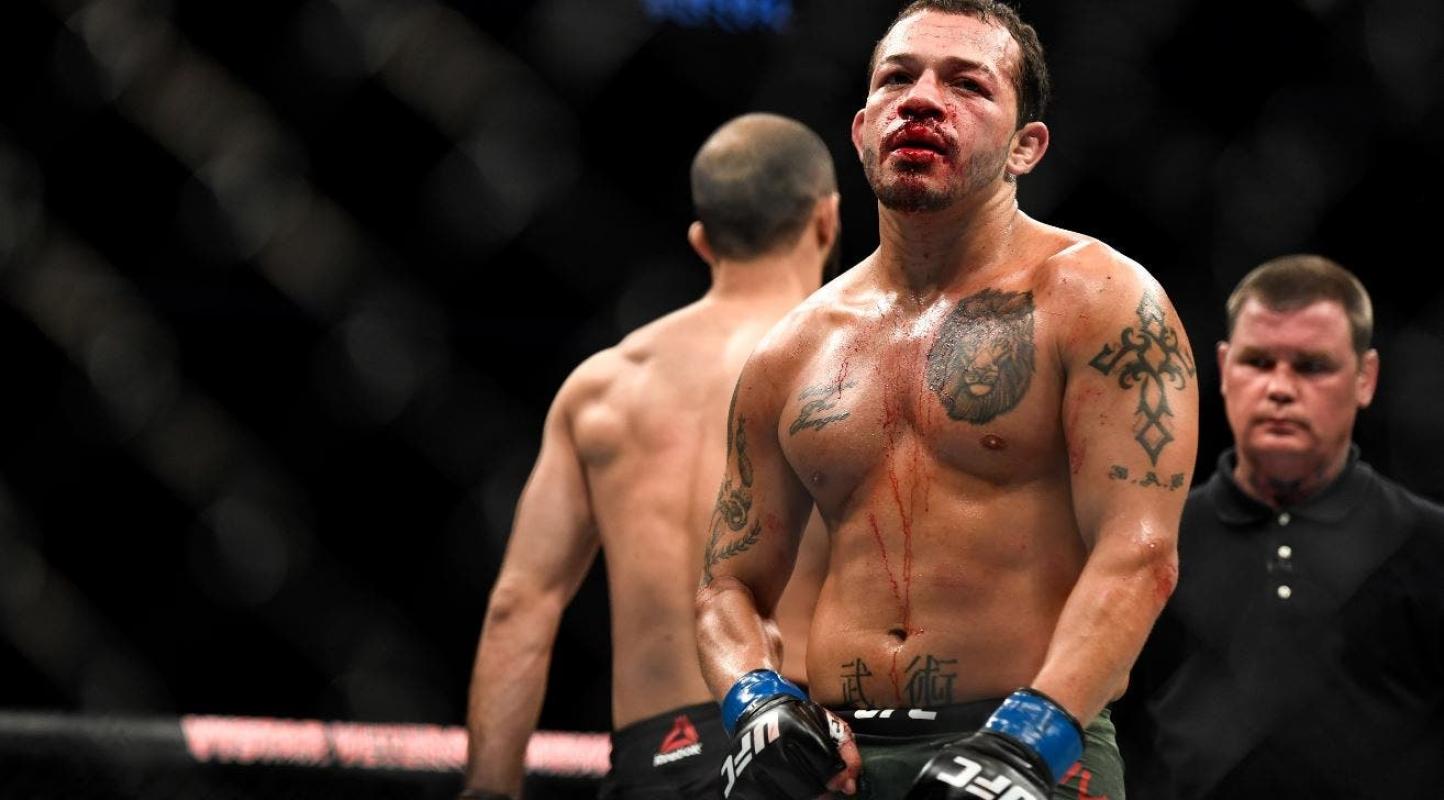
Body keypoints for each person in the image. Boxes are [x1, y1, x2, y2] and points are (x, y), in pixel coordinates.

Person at [693, 2, 1198, 799]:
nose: (922, 99)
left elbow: (1140, 557)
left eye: (968, 84)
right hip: (839, 765)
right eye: (898, 78)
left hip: (1036, 746)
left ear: (1026, 146)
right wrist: (757, 701)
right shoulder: (793, 350)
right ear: (862, 128)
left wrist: (1030, 741)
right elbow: (727, 585)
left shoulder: (1098, 300)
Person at [460, 113, 840, 800]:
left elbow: (520, 606)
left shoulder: (604, 388)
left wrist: (488, 790)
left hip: (653, 764)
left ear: (702, 240)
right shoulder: (849, 369)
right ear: (827, 220)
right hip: (804, 747)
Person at [1119, 255, 1444, 799]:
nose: (1280, 389)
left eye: (1312, 366)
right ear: (1223, 370)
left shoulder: (1429, 545)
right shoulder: (1147, 546)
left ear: (1365, 379)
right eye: (1258, 362)